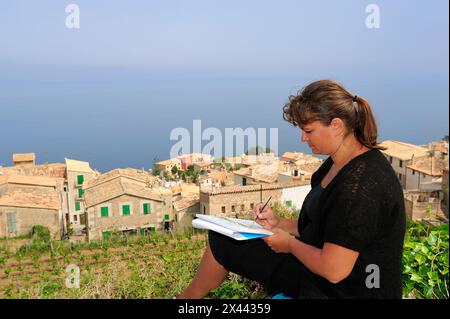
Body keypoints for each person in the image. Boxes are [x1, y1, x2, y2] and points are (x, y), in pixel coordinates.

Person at [177, 79, 406, 299]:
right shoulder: (336, 163)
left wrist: (289, 245)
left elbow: (334, 269)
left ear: (336, 125)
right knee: (222, 240)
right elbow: (325, 227)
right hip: (321, 268)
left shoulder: (362, 185)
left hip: (347, 289)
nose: (302, 138)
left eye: (309, 130)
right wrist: (278, 224)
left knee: (229, 246)